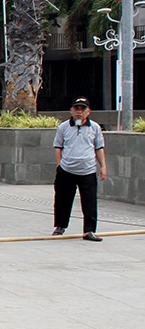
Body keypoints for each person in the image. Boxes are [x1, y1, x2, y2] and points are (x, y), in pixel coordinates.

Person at [52, 96, 107, 242]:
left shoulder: (94, 127)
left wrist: (103, 167)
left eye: (83, 109)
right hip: (67, 170)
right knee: (63, 199)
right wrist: (60, 165)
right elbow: (58, 147)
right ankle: (60, 226)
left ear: (88, 111)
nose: (79, 112)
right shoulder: (64, 127)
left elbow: (99, 148)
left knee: (89, 202)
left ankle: (89, 230)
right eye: (76, 109)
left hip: (87, 171)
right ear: (71, 110)